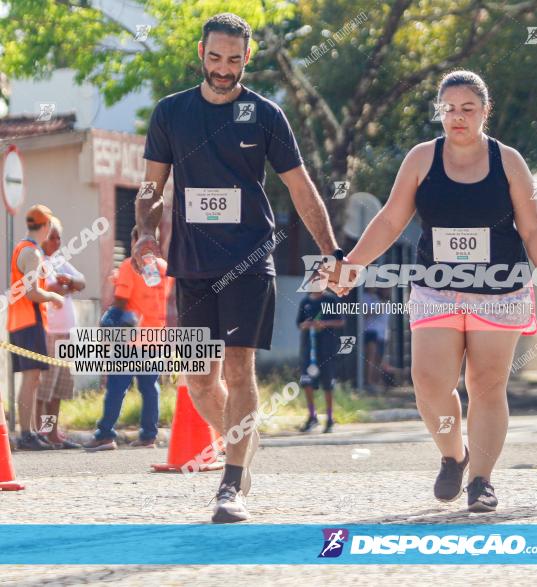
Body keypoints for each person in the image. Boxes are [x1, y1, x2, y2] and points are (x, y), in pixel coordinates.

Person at [135, 13, 342, 523]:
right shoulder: (171, 113)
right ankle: (242, 446)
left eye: (233, 59)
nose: (223, 69)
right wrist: (141, 233)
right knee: (199, 380)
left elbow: (300, 186)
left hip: (249, 259)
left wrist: (331, 252)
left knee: (237, 367)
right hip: (191, 262)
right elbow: (150, 186)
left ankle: (230, 485)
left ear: (247, 57)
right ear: (200, 52)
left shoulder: (267, 114)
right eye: (214, 58)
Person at [335, 70, 537, 512]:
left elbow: (534, 228)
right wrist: (353, 264)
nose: (457, 117)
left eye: (468, 109)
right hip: (437, 288)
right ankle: (454, 454)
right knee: (428, 382)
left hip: (499, 291)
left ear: (485, 111)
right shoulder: (422, 159)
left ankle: (481, 480)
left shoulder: (510, 162)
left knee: (485, 384)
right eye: (449, 109)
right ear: (439, 112)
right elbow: (391, 219)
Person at [83, 227, 173, 452]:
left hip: (130, 341)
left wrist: (106, 323)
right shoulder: (164, 269)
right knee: (150, 388)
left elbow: (121, 301)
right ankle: (148, 436)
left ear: (136, 240)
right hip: (155, 338)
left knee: (116, 388)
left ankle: (105, 434)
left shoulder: (129, 266)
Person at [6, 205, 64, 450]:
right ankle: (27, 434)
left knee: (34, 381)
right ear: (47, 226)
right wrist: (54, 297)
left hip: (20, 322)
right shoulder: (32, 253)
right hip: (29, 322)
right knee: (32, 381)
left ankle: (31, 433)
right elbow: (31, 292)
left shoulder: (23, 248)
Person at [36, 217, 85, 449]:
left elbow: (81, 282)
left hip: (67, 333)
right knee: (44, 389)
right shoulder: (39, 261)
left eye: (59, 237)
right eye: (52, 237)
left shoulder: (60, 261)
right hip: (50, 332)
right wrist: (66, 287)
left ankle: (52, 432)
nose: (57, 241)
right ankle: (40, 432)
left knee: (59, 390)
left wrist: (71, 281)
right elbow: (47, 289)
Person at [296, 290, 345, 433]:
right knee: (307, 382)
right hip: (308, 350)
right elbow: (299, 324)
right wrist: (306, 325)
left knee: (327, 384)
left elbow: (341, 321)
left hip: (326, 349)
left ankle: (329, 418)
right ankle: (312, 416)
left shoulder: (331, 300)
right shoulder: (305, 301)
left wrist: (323, 323)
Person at [362, 287, 390, 391]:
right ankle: (368, 382)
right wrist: (376, 310)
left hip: (382, 334)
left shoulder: (380, 299)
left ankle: (375, 382)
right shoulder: (364, 297)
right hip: (370, 331)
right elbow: (364, 314)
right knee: (370, 358)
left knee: (378, 359)